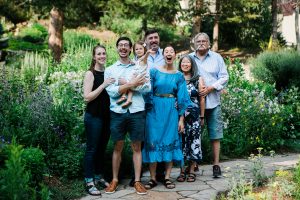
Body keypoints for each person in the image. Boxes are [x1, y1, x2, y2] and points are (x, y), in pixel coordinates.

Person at [104, 36, 150, 195]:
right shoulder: (110, 69)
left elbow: (147, 87)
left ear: (131, 49)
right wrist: (131, 84)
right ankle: (115, 180)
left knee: (137, 147)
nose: (123, 47)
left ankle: (137, 181)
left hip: (137, 111)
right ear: (117, 48)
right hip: (118, 112)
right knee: (118, 147)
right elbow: (110, 91)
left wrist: (125, 85)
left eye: (126, 45)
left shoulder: (140, 65)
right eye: (120, 45)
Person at [142, 45, 191, 190]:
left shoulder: (179, 76)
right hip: (154, 110)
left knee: (170, 141)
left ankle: (168, 177)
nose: (169, 54)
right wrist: (147, 110)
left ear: (175, 55)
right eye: (166, 52)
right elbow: (147, 91)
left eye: (171, 52)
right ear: (163, 55)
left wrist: (181, 119)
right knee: (153, 141)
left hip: (171, 111)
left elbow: (182, 98)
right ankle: (152, 179)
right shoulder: (154, 72)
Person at [189, 32, 229, 178]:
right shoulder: (189, 58)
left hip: (213, 102)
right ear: (194, 43)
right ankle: (193, 163)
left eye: (204, 41)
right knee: (194, 133)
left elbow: (224, 77)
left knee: (215, 134)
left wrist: (211, 87)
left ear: (209, 43)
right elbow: (183, 75)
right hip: (193, 104)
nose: (201, 43)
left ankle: (216, 164)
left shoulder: (217, 58)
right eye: (198, 41)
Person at [83, 44, 115, 196]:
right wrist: (103, 84)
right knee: (92, 149)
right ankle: (89, 181)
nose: (102, 56)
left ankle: (99, 177)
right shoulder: (90, 74)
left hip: (106, 117)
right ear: (94, 57)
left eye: (104, 53)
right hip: (93, 117)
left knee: (102, 149)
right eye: (99, 54)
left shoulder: (108, 73)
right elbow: (87, 97)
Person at [177, 55, 205, 182]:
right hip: (179, 116)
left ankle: (192, 170)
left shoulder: (198, 79)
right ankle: (182, 171)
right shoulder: (177, 78)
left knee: (194, 141)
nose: (185, 64)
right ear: (180, 64)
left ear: (192, 64)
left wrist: (202, 116)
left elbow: (202, 99)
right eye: (183, 62)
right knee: (181, 142)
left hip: (194, 116)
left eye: (188, 62)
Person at [116, 41, 152, 108]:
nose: (138, 51)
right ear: (134, 51)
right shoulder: (137, 60)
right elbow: (136, 62)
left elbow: (145, 58)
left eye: (140, 49)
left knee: (127, 82)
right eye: (136, 49)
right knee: (129, 84)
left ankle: (124, 96)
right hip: (137, 79)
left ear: (144, 49)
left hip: (142, 82)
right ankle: (128, 99)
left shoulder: (144, 59)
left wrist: (147, 53)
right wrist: (133, 62)